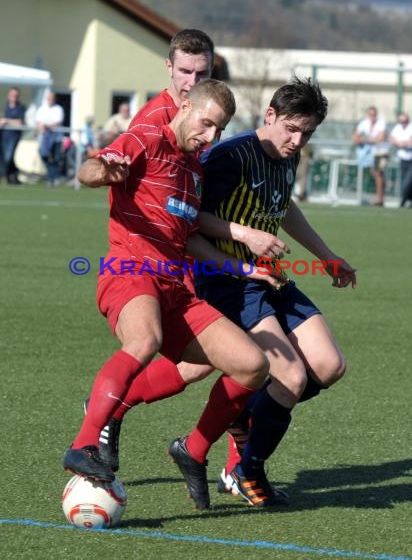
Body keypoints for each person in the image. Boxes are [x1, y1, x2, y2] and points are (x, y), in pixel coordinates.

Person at [63, 79, 274, 511]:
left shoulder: (194, 169)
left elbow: (189, 239)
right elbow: (88, 170)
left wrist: (244, 267)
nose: (210, 136)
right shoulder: (145, 137)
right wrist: (104, 171)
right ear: (185, 105)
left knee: (252, 366)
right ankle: (83, 445)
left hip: (174, 285)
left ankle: (192, 450)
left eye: (220, 129)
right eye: (206, 123)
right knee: (144, 342)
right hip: (130, 270)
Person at [191, 75, 357, 507]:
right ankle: (248, 469)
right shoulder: (231, 156)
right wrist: (247, 235)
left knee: (329, 365)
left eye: (307, 133)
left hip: (269, 276)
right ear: (270, 116)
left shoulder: (288, 155)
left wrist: (326, 255)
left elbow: (283, 208)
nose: (297, 140)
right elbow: (192, 218)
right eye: (291, 129)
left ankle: (244, 420)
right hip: (228, 279)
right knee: (291, 375)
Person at [352, 105, 389, 206]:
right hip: (371, 152)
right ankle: (379, 196)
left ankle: (380, 198)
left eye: (374, 114)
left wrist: (366, 139)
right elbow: (355, 136)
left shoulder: (382, 123)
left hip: (382, 151)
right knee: (375, 173)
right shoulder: (364, 123)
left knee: (378, 173)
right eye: (370, 114)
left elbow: (381, 138)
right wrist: (362, 139)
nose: (372, 116)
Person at [35, 91, 64, 186]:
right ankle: (51, 176)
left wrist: (46, 125)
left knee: (55, 158)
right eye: (49, 98)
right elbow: (38, 122)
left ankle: (53, 178)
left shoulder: (58, 109)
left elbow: (57, 122)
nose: (50, 100)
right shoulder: (42, 109)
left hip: (56, 137)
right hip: (44, 137)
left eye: (52, 98)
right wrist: (41, 127)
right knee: (44, 155)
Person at [0, 87, 26, 184]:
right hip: (3, 135)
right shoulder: (5, 106)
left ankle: (14, 173)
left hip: (13, 136)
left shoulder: (20, 108)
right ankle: (11, 176)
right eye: (12, 95)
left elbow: (20, 123)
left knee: (8, 157)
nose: (14, 97)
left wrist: (6, 121)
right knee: (4, 159)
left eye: (16, 95)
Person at [389, 111, 412, 207]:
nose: (403, 123)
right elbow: (391, 139)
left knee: (408, 181)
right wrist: (401, 143)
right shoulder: (397, 128)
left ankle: (403, 199)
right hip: (403, 159)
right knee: (404, 180)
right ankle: (407, 200)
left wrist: (403, 143)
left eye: (405, 121)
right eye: (401, 121)